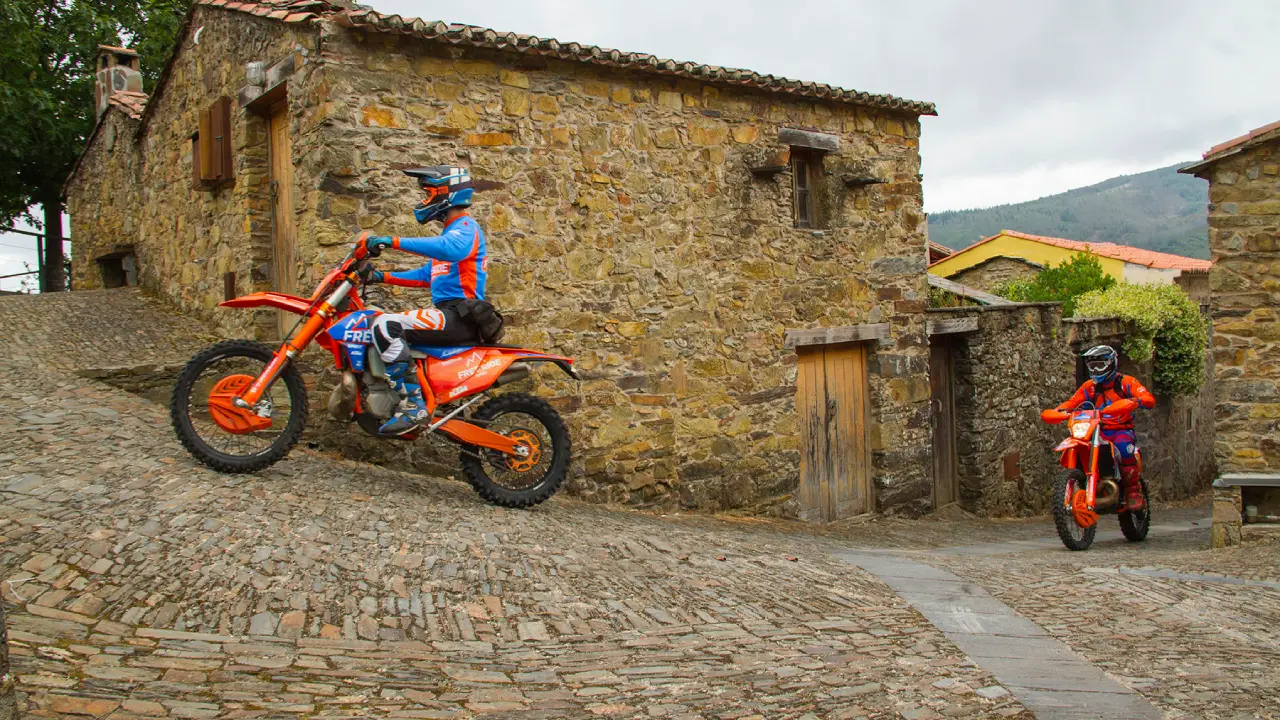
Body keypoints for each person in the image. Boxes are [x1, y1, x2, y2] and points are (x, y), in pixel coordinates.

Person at [362, 166, 501, 435]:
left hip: (461, 315)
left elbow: (451, 249)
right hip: (449, 314)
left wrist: (391, 241)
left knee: (385, 326)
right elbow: (426, 275)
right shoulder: (450, 235)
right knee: (373, 323)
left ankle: (414, 405)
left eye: (428, 193)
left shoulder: (465, 228)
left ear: (445, 193)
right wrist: (381, 276)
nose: (425, 199)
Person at [1055, 345, 1156, 510]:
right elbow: (1073, 403)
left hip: (1120, 430)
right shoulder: (1090, 387)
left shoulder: (1125, 382)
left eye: (1099, 365)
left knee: (1124, 450)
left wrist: (1135, 401)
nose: (1095, 369)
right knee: (1079, 446)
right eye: (1091, 366)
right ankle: (1081, 485)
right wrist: (1059, 410)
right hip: (1095, 430)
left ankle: (1133, 491)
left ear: (1110, 363)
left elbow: (1148, 398)